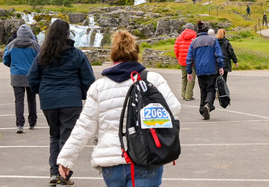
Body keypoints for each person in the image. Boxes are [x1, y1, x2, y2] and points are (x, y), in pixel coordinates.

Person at [57, 30, 181, 187]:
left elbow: (84, 126)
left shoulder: (98, 87)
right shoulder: (153, 79)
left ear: (113, 56)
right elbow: (174, 108)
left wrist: (66, 159)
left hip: (111, 162)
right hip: (146, 157)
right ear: (136, 54)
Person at [28, 19, 95, 186]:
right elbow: (89, 79)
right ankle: (63, 174)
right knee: (67, 136)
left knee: (54, 135)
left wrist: (41, 91)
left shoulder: (43, 54)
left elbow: (32, 77)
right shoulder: (77, 54)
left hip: (49, 100)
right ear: (67, 33)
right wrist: (82, 94)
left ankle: (53, 171)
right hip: (71, 101)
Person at [3, 24, 40, 133]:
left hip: (16, 75)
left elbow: (5, 59)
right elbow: (40, 59)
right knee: (31, 99)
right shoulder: (35, 45)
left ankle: (20, 124)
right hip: (31, 75)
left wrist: (13, 66)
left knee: (19, 100)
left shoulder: (11, 45)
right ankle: (32, 121)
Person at [186, 20, 224, 120]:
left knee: (203, 90)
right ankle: (208, 105)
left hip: (199, 69)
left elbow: (189, 58)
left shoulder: (194, 42)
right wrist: (221, 66)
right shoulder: (213, 40)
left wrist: (189, 71)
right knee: (211, 88)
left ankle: (203, 110)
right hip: (212, 68)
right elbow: (218, 55)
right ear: (207, 31)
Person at [173, 23, 197, 101]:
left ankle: (183, 94)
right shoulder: (195, 37)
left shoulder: (179, 37)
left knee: (184, 77)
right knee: (191, 78)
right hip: (192, 61)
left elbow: (176, 49)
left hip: (182, 61)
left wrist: (179, 58)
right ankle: (188, 95)